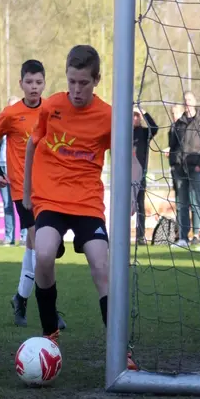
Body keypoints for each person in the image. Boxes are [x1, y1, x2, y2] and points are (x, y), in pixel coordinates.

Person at [22, 45, 138, 370]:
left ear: (96, 80)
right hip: (51, 200)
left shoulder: (109, 116)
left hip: (87, 202)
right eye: (72, 81)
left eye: (83, 83)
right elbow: (33, 144)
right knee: (43, 254)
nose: (76, 90)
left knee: (102, 265)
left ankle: (121, 350)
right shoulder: (52, 107)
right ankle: (50, 335)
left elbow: (129, 160)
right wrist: (28, 193)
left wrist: (132, 189)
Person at [0, 61, 65, 330]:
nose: (34, 87)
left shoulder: (51, 110)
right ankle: (48, 308)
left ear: (44, 83)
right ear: (21, 83)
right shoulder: (10, 114)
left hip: (47, 188)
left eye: (39, 82)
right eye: (29, 82)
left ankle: (20, 298)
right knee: (39, 243)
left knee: (39, 248)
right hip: (21, 188)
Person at [170, 91, 200, 251]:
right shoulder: (179, 123)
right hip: (181, 170)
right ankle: (183, 238)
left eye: (189, 99)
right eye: (185, 100)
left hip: (196, 168)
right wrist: (175, 163)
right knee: (182, 204)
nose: (187, 102)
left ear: (194, 101)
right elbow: (173, 145)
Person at [132, 105, 158, 244]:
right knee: (125, 206)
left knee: (140, 206)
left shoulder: (144, 133)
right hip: (125, 176)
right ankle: (121, 233)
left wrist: (144, 112)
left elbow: (155, 128)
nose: (135, 118)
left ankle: (140, 236)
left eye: (137, 116)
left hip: (140, 175)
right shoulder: (123, 131)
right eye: (133, 115)